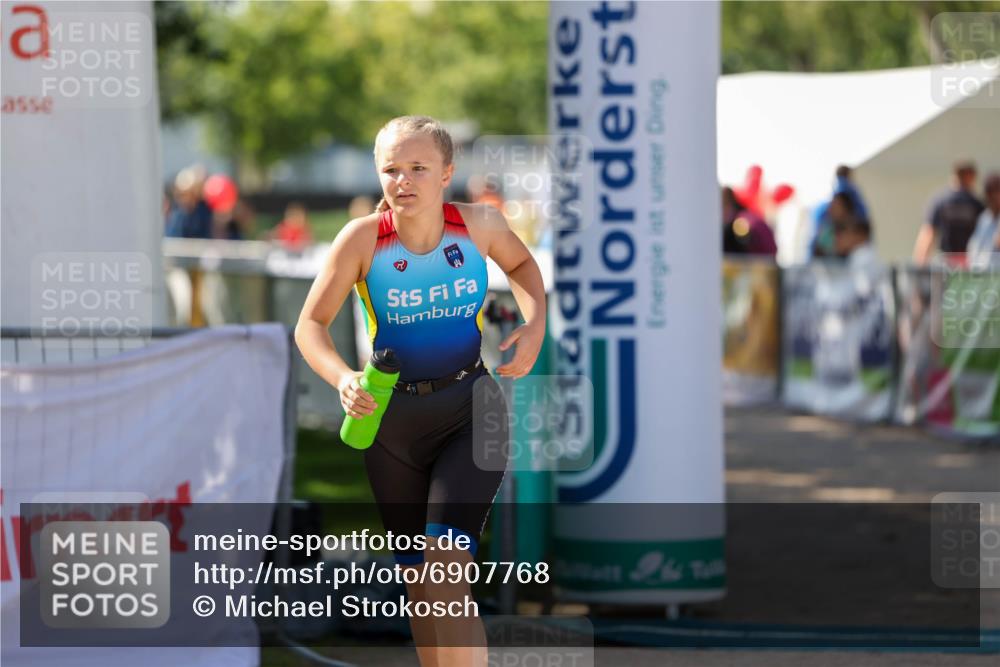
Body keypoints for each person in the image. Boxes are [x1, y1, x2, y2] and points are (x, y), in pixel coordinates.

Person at [295, 115, 546, 666]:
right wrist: (344, 378)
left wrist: (535, 325)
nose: (403, 181)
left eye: (418, 168)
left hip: (470, 410)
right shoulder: (362, 239)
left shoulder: (479, 224)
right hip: (390, 425)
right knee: (420, 586)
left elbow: (524, 264)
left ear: (447, 172)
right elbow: (309, 326)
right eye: (391, 169)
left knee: (445, 573)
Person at [913, 160, 985, 265]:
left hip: (949, 263)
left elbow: (928, 233)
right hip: (968, 264)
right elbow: (929, 232)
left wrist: (920, 263)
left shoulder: (940, 200)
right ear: (970, 176)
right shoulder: (975, 203)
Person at [722, 186, 777, 256]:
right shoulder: (747, 216)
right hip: (767, 259)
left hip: (760, 261)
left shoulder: (740, 222)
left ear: (728, 204)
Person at [164, 167, 213, 239]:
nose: (183, 198)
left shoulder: (204, 212)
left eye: (186, 194)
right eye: (180, 194)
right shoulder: (177, 215)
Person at [967, 171, 1000, 268]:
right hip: (981, 277)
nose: (992, 198)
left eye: (995, 192)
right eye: (989, 193)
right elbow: (974, 249)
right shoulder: (984, 218)